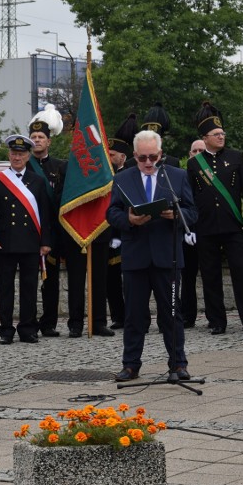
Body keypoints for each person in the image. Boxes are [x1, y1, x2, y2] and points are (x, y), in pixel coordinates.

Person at [107, 130, 198, 381]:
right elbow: (111, 213)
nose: (148, 163)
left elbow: (192, 211)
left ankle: (178, 364)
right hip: (136, 256)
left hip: (167, 255)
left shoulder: (176, 176)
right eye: (143, 158)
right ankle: (131, 365)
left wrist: (177, 216)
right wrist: (129, 218)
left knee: (171, 313)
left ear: (161, 154)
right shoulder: (123, 178)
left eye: (153, 157)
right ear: (134, 156)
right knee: (134, 315)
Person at [186, 101, 243, 336]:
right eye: (216, 134)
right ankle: (217, 321)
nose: (221, 137)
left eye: (222, 133)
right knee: (210, 276)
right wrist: (188, 227)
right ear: (205, 137)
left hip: (232, 226)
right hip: (205, 227)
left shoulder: (236, 157)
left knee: (241, 273)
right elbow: (189, 198)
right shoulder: (193, 164)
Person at [0, 135, 52, 344]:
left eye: (21, 153)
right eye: (14, 153)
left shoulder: (38, 181)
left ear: (28, 156)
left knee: (29, 288)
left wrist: (45, 241)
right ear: (9, 154)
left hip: (30, 243)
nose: (17, 157)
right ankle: (6, 330)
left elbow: (44, 213)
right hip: (5, 242)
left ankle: (27, 329)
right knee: (5, 289)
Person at [27, 105, 66, 337]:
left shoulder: (60, 167)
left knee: (50, 281)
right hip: (31, 231)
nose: (37, 140)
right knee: (31, 280)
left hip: (53, 231)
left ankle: (49, 323)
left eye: (41, 137)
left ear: (49, 141)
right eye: (33, 137)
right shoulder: (24, 166)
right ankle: (29, 323)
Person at [105, 116, 136, 330]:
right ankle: (118, 315)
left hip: (131, 232)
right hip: (110, 232)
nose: (109, 157)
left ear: (122, 156)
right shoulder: (106, 175)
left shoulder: (130, 175)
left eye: (112, 154)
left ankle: (133, 315)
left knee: (132, 281)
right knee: (112, 280)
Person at [180, 139, 206, 329]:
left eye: (201, 150)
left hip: (209, 231)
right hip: (189, 232)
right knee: (187, 277)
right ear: (189, 154)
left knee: (210, 276)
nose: (197, 153)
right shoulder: (183, 175)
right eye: (194, 150)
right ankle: (188, 316)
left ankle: (214, 316)